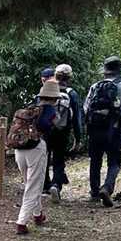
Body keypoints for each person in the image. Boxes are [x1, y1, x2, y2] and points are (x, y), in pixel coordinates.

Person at [5, 78, 62, 235]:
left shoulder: (32, 107)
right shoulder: (50, 110)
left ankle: (38, 215)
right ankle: (21, 222)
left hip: (19, 149)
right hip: (36, 148)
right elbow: (47, 127)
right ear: (54, 98)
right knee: (34, 186)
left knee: (29, 183)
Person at [84, 56, 121, 207]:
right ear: (119, 70)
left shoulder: (95, 87)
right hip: (114, 128)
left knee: (95, 161)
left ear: (105, 71)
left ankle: (94, 193)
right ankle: (106, 188)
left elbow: (86, 108)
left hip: (95, 129)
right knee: (114, 162)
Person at [42, 63, 81, 202]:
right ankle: (56, 185)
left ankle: (45, 186)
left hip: (46, 130)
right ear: (69, 77)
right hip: (63, 131)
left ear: (55, 75)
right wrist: (78, 138)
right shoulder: (71, 93)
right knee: (59, 160)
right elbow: (76, 118)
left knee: (44, 159)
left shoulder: (47, 88)